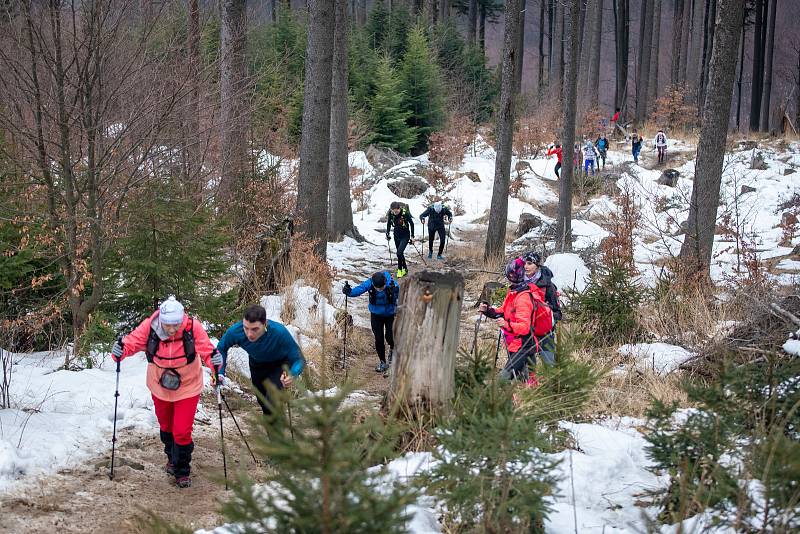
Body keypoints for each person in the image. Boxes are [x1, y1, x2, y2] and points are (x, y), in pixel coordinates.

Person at [111, 296, 219, 488]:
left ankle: (182, 471)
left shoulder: (192, 327)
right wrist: (119, 351)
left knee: (182, 430)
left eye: (175, 324)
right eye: (167, 325)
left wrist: (215, 364)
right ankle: (171, 457)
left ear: (181, 319)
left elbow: (207, 350)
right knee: (166, 425)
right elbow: (131, 343)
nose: (171, 329)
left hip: (188, 385)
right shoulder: (150, 326)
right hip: (159, 384)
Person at [216, 304, 305, 417]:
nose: (249, 334)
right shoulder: (236, 331)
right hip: (257, 366)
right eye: (246, 328)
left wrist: (292, 374)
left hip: (280, 365)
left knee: (272, 401)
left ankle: (277, 433)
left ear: (265, 324)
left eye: (255, 329)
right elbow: (221, 348)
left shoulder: (279, 332)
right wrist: (220, 372)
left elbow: (299, 359)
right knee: (264, 404)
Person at [479, 260, 552, 381]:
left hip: (523, 345)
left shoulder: (523, 297)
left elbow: (524, 327)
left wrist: (506, 325)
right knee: (524, 379)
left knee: (503, 380)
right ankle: (526, 395)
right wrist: (488, 311)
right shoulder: (514, 291)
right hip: (516, 343)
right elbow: (503, 311)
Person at [342, 271, 399, 373]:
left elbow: (401, 295)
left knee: (390, 336)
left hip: (390, 314)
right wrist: (348, 291)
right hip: (376, 314)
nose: (379, 290)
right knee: (379, 338)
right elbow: (359, 289)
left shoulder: (392, 284)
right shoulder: (370, 283)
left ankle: (392, 348)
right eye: (377, 288)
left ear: (385, 282)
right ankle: (382, 362)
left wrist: (395, 292)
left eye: (381, 288)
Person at [522, 252, 562, 366]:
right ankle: (528, 381)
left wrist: (548, 317)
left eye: (530, 263)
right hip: (524, 327)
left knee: (549, 363)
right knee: (525, 360)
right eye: (524, 263)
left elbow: (557, 311)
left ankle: (551, 380)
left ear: (537, 265)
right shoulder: (519, 282)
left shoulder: (547, 284)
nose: (526, 266)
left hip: (544, 328)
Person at [386, 201, 414, 278]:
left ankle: (399, 269)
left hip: (405, 235)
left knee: (399, 253)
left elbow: (412, 224)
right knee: (400, 253)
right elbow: (389, 223)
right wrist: (387, 233)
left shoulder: (405, 213)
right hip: (396, 235)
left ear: (399, 209)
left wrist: (412, 236)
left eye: (396, 211)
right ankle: (405, 268)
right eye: (393, 211)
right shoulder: (391, 214)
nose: (395, 213)